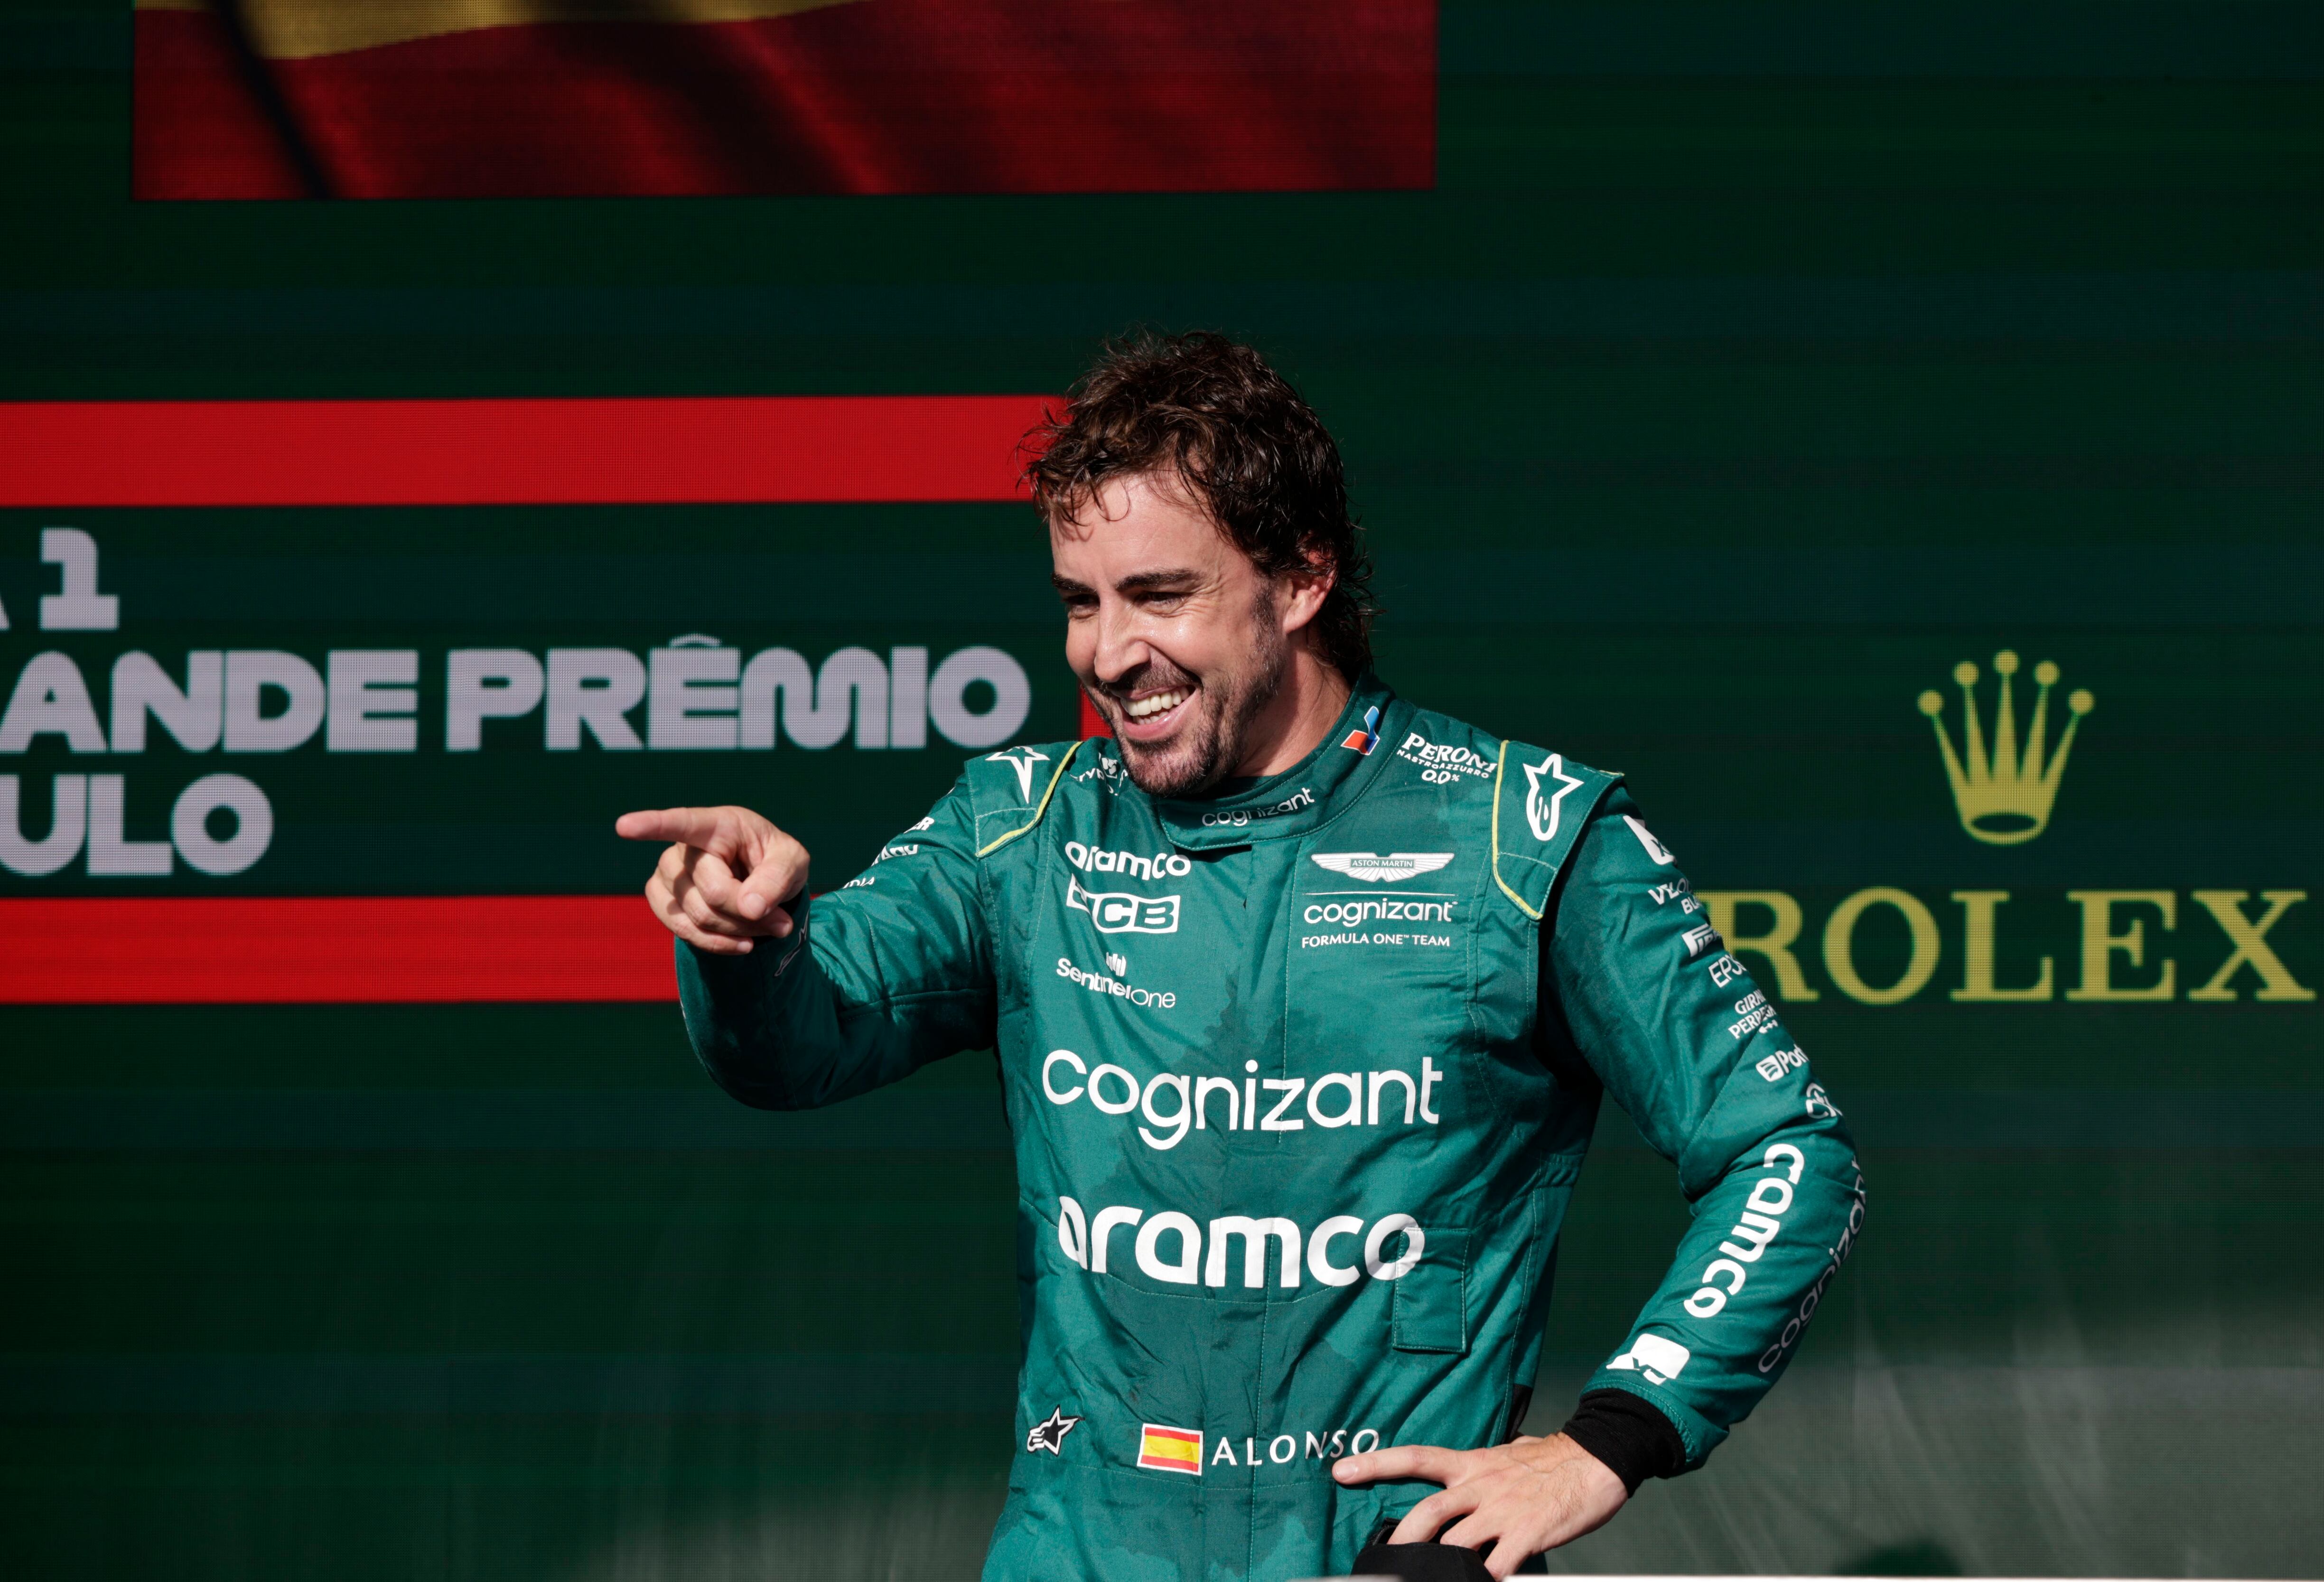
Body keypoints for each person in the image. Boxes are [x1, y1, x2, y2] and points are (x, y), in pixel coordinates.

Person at [618, 332, 1866, 1581]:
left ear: (1304, 577)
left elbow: (1787, 1152)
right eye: (1079, 601)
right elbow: (796, 1051)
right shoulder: (1021, 830)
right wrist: (751, 944)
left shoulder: (1527, 836)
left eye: (1162, 596)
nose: (1107, 654)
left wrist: (1608, 1442)